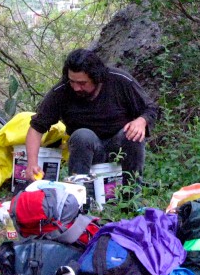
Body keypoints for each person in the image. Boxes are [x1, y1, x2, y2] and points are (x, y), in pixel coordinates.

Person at [23, 48, 159, 182]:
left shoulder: (119, 81)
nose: (76, 88)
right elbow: (36, 127)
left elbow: (150, 108)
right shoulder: (62, 91)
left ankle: (130, 196)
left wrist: (142, 120)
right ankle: (79, 194)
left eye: (82, 83)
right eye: (72, 82)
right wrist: (32, 163)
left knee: (133, 135)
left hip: (119, 145)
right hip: (86, 149)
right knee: (82, 135)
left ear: (96, 78)